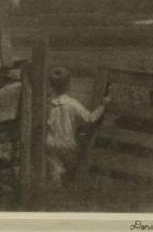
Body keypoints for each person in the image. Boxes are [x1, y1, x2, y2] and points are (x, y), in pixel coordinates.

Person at [45, 66, 111, 204]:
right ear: (68, 85)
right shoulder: (72, 104)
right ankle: (67, 196)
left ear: (51, 85)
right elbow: (90, 119)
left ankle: (54, 194)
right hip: (68, 144)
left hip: (49, 142)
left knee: (55, 167)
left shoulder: (46, 103)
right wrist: (103, 105)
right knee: (72, 172)